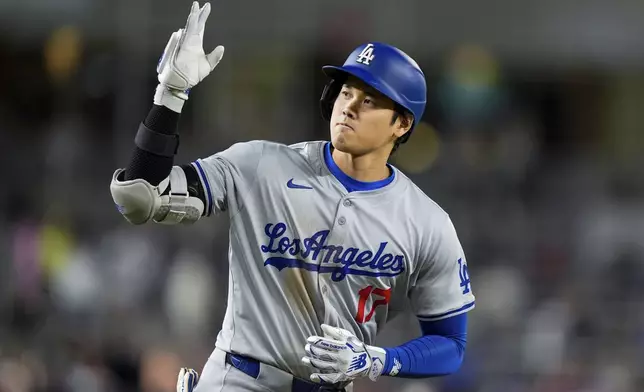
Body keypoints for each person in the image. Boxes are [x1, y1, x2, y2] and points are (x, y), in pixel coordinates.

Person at [110, 2, 475, 391]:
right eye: (346, 92)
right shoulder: (260, 165)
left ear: (402, 123)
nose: (348, 107)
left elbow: (451, 344)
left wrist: (378, 360)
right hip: (239, 380)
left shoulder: (426, 221)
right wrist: (170, 94)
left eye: (369, 100)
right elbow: (141, 197)